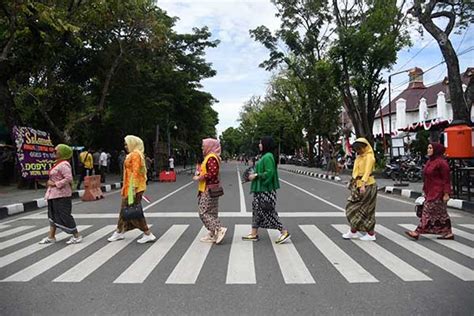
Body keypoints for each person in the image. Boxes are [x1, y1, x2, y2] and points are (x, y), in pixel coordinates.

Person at [108, 135, 156, 244]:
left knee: (133, 211)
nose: (125, 146)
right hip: (130, 187)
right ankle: (119, 231)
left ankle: (147, 233)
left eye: (127, 144)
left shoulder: (135, 155)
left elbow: (135, 172)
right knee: (124, 210)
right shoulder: (133, 154)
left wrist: (133, 188)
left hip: (133, 188)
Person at [243, 136, 290, 244]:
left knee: (268, 211)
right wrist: (252, 176)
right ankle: (254, 233)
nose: (259, 145)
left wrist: (256, 175)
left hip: (266, 191)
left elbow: (270, 173)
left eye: (261, 143)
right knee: (256, 211)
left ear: (266, 144)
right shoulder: (264, 156)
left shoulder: (268, 157)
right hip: (260, 190)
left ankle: (284, 231)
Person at [405, 143, 453, 240]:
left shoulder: (442, 163)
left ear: (436, 150)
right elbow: (427, 178)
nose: (428, 150)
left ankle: (417, 232)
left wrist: (446, 193)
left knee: (426, 212)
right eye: (428, 148)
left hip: (438, 192)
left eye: (431, 148)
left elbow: (446, 179)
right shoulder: (430, 162)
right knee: (441, 213)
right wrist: (424, 191)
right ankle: (448, 232)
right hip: (430, 191)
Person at [39, 144, 82, 244]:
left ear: (62, 153)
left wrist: (55, 184)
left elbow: (69, 178)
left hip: (62, 195)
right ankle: (51, 236)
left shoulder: (64, 164)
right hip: (53, 194)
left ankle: (77, 235)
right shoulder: (57, 163)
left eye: (56, 151)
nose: (54, 152)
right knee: (53, 215)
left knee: (65, 215)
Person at [192, 138, 227, 244]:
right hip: (211, 188)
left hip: (209, 188)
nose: (202, 148)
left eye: (204, 145)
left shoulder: (211, 158)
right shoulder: (209, 157)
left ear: (209, 146)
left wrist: (200, 177)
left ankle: (219, 229)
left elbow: (212, 173)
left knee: (203, 212)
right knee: (212, 212)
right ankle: (213, 233)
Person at [342, 137, 377, 241]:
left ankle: (371, 234)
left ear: (365, 147)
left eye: (360, 148)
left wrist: (363, 185)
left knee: (367, 210)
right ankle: (353, 231)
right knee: (351, 208)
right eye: (357, 149)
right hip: (358, 186)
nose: (358, 151)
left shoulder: (370, 157)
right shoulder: (358, 157)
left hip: (368, 186)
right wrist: (352, 182)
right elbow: (355, 172)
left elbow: (367, 172)